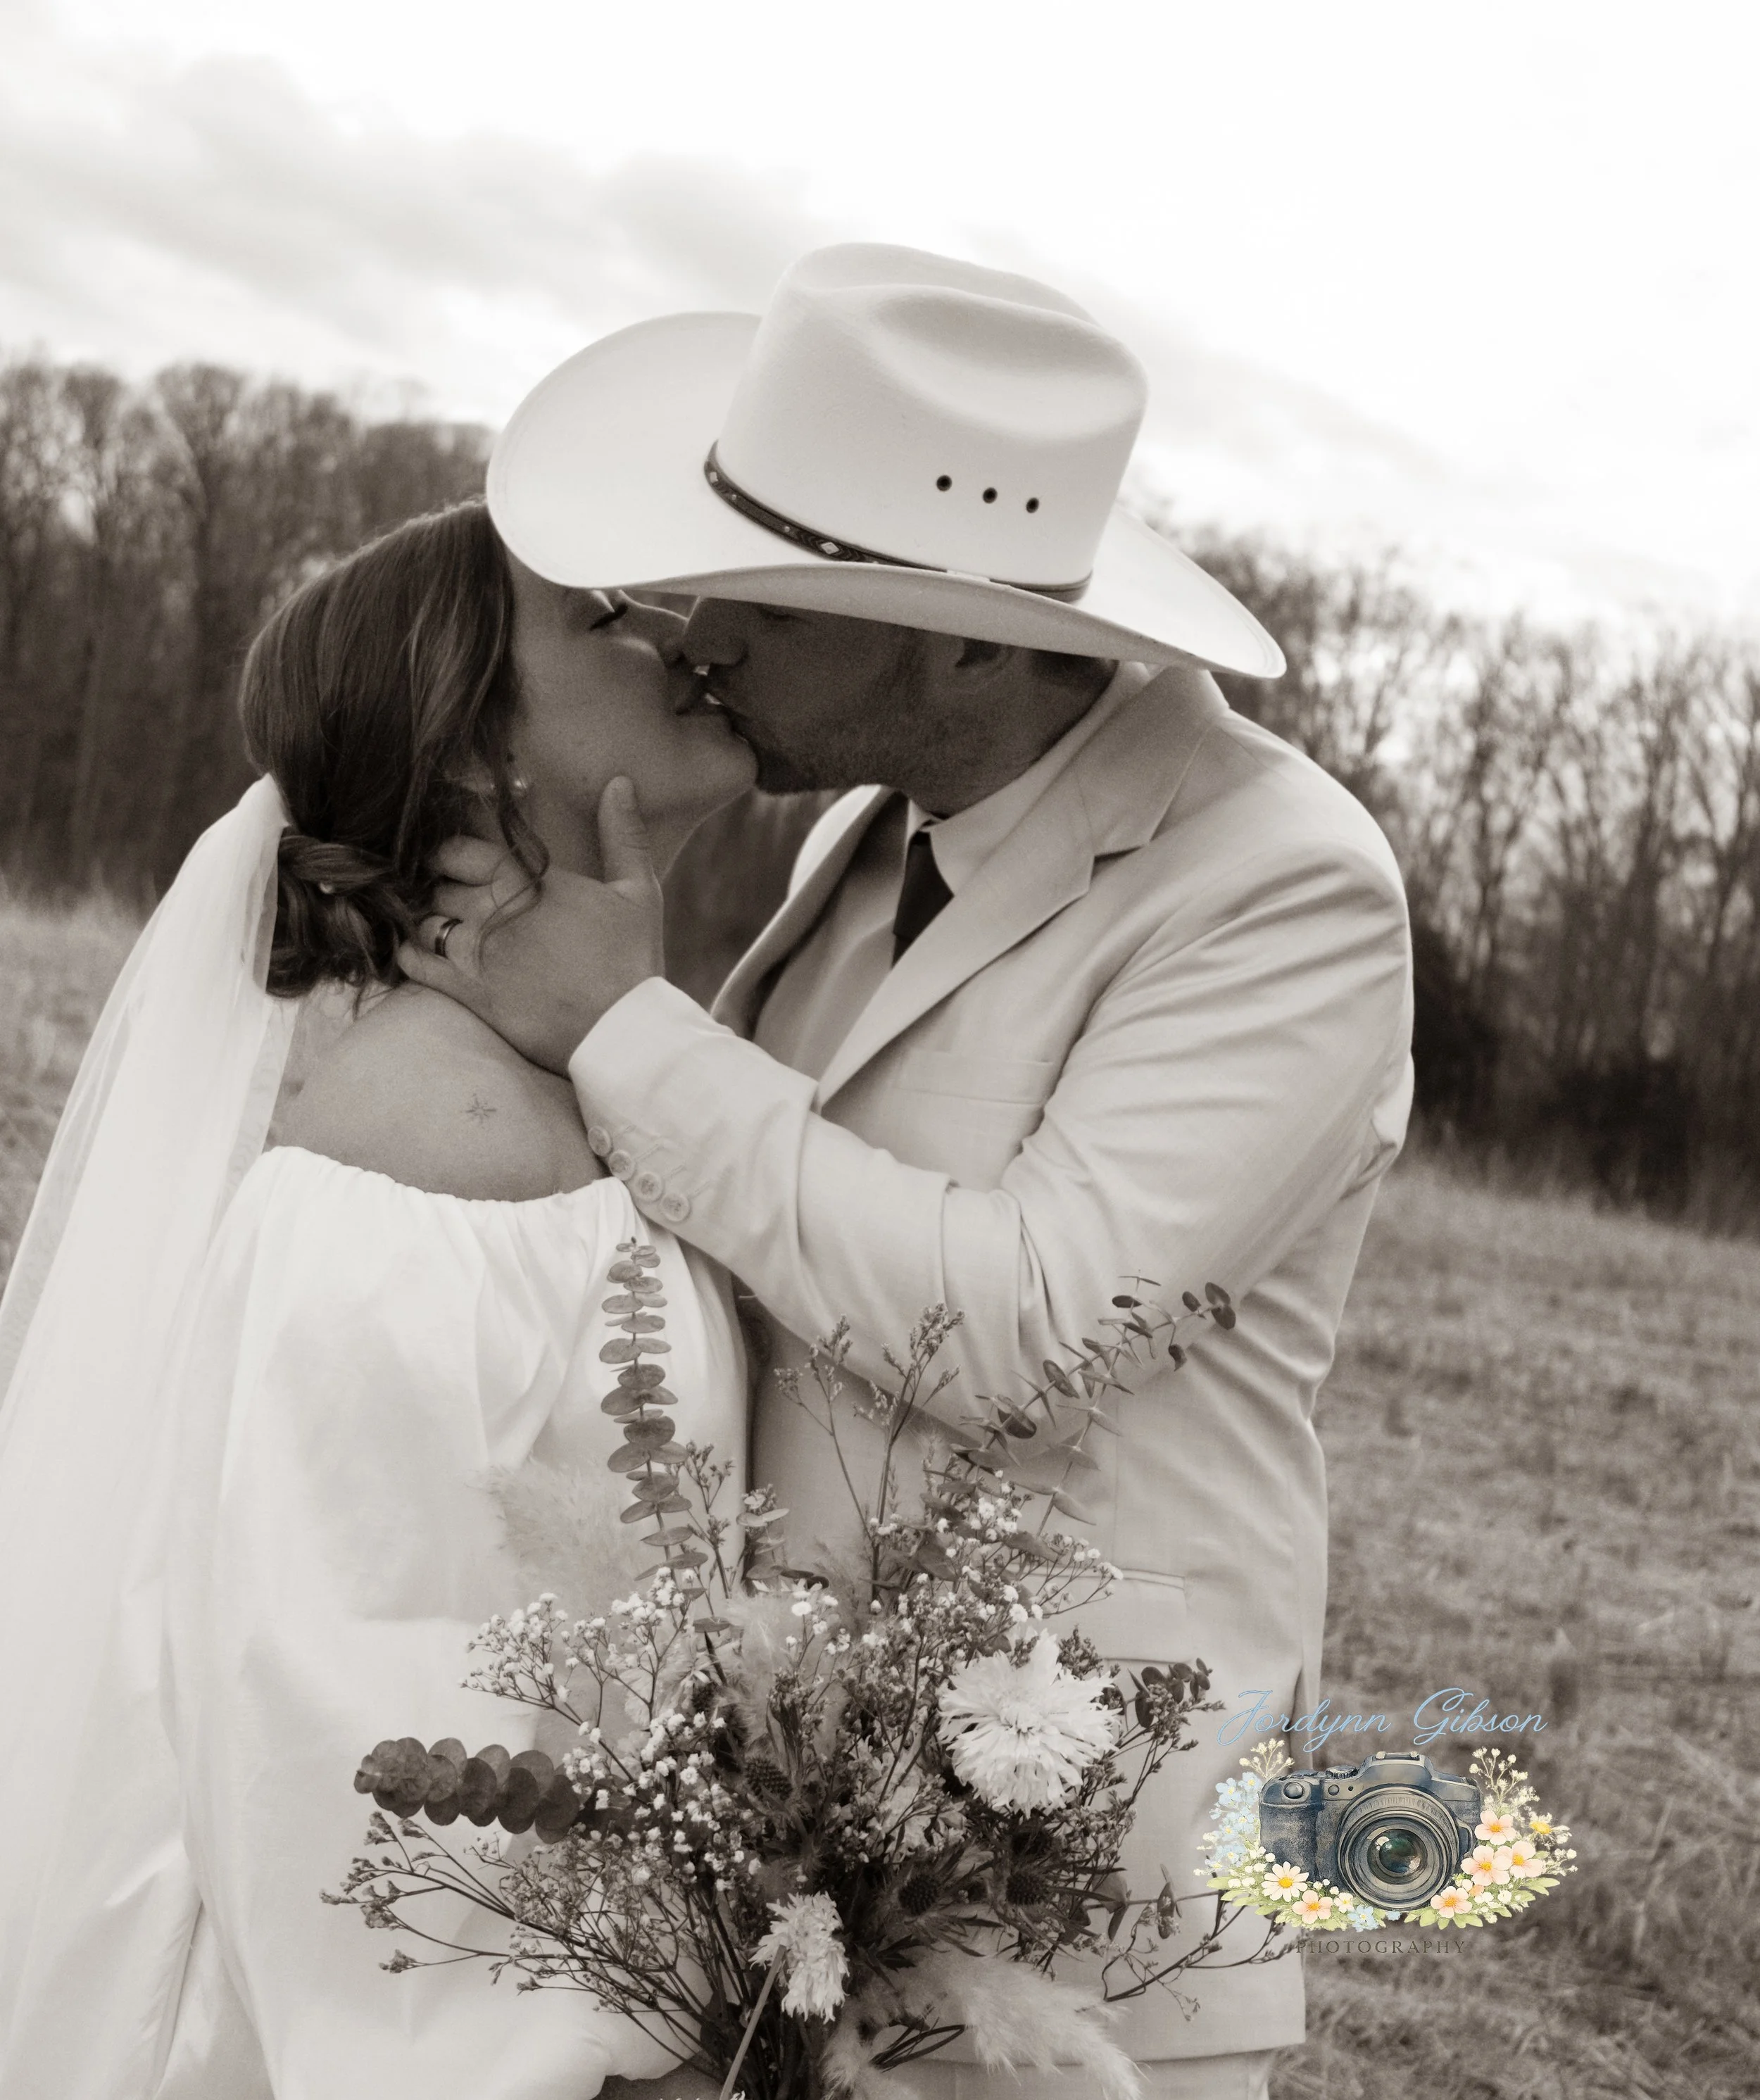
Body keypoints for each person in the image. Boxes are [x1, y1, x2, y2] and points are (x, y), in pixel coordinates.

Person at [403, 244, 1417, 2100]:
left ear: (965, 638)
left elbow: (1030, 1327)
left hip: (1078, 1914)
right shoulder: (874, 833)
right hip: (793, 1859)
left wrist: (626, 1029)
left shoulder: (1285, 886)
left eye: (772, 605)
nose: (699, 629)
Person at [0, 502, 751, 2099]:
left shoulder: (569, 1096)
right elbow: (336, 1740)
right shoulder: (424, 1159)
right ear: (480, 755)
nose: (679, 634)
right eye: (604, 616)